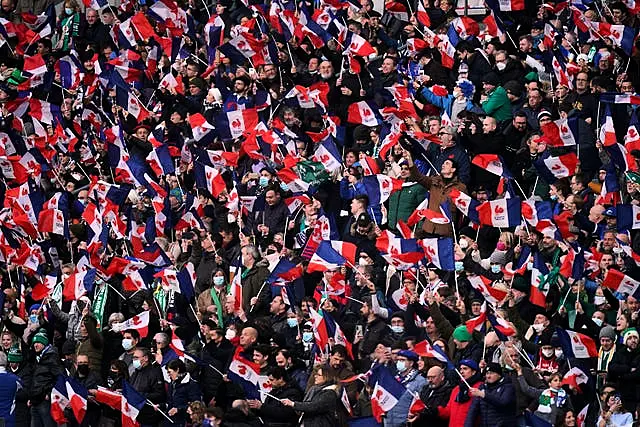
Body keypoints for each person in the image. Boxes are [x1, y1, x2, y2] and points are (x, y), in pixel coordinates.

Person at [165, 359, 202, 427]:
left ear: (177, 370)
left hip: (183, 421)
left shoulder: (191, 385)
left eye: (169, 372)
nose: (168, 375)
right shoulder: (172, 383)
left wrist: (178, 410)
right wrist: (161, 405)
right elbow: (169, 401)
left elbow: (196, 405)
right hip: (169, 420)